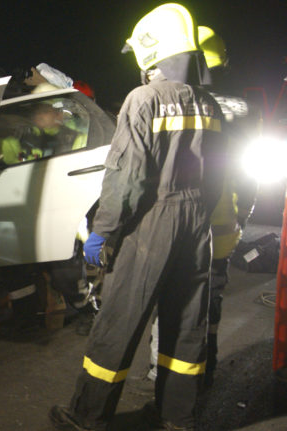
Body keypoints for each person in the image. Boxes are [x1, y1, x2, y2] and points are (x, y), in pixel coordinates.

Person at [48, 4, 227, 430]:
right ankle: (176, 417)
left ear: (152, 52)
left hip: (153, 223)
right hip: (197, 226)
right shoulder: (209, 104)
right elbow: (221, 174)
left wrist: (102, 231)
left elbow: (126, 177)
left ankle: (88, 417)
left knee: (118, 323)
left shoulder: (143, 99)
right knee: (186, 326)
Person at [142, 25, 258, 389]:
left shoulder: (172, 101)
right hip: (223, 227)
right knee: (210, 300)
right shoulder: (242, 109)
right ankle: (205, 367)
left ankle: (161, 373)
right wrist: (241, 217)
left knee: (172, 301)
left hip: (176, 223)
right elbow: (248, 176)